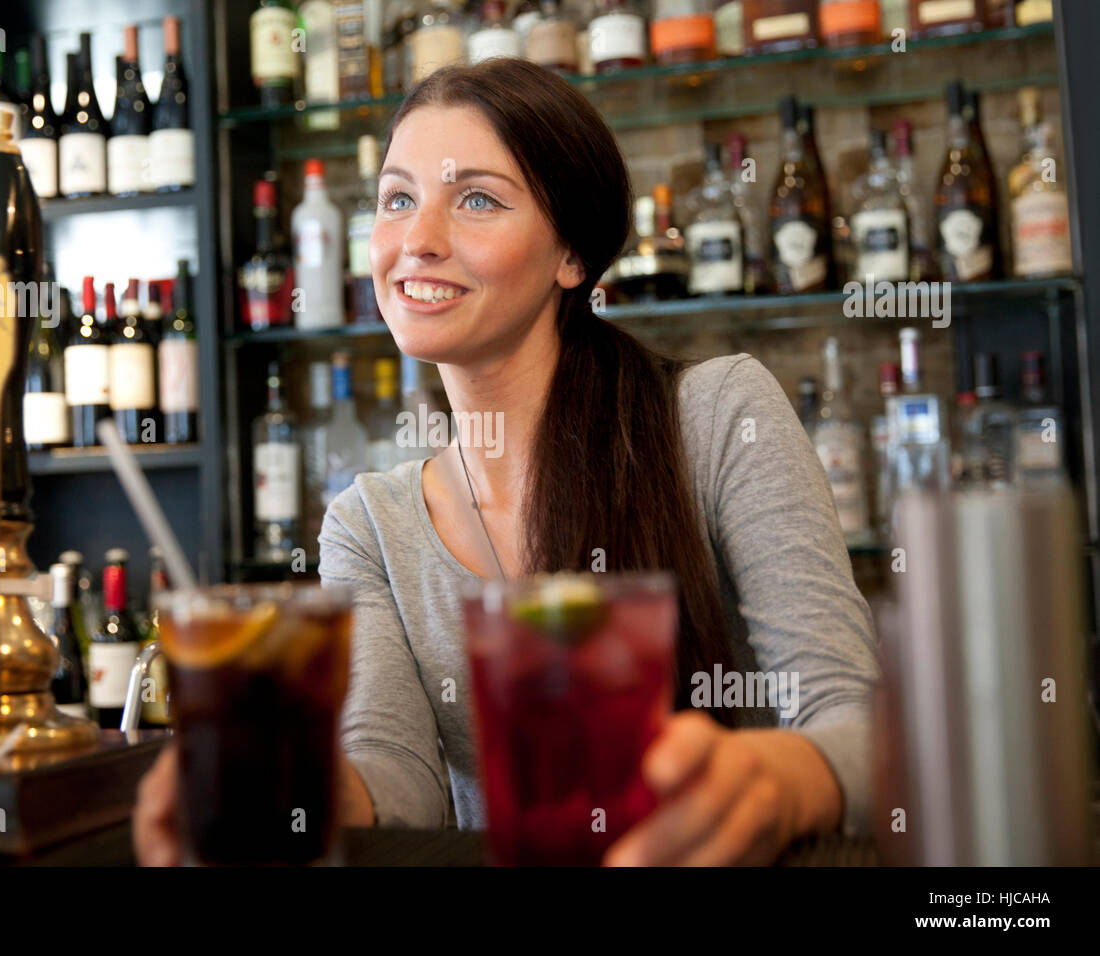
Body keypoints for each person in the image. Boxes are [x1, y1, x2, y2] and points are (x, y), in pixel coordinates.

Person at [134, 57, 879, 866]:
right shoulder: (369, 523)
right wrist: (293, 791)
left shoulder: (715, 415)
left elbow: (858, 721)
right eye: (397, 199)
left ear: (571, 255)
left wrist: (777, 779)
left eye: (478, 200)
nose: (417, 241)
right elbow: (400, 776)